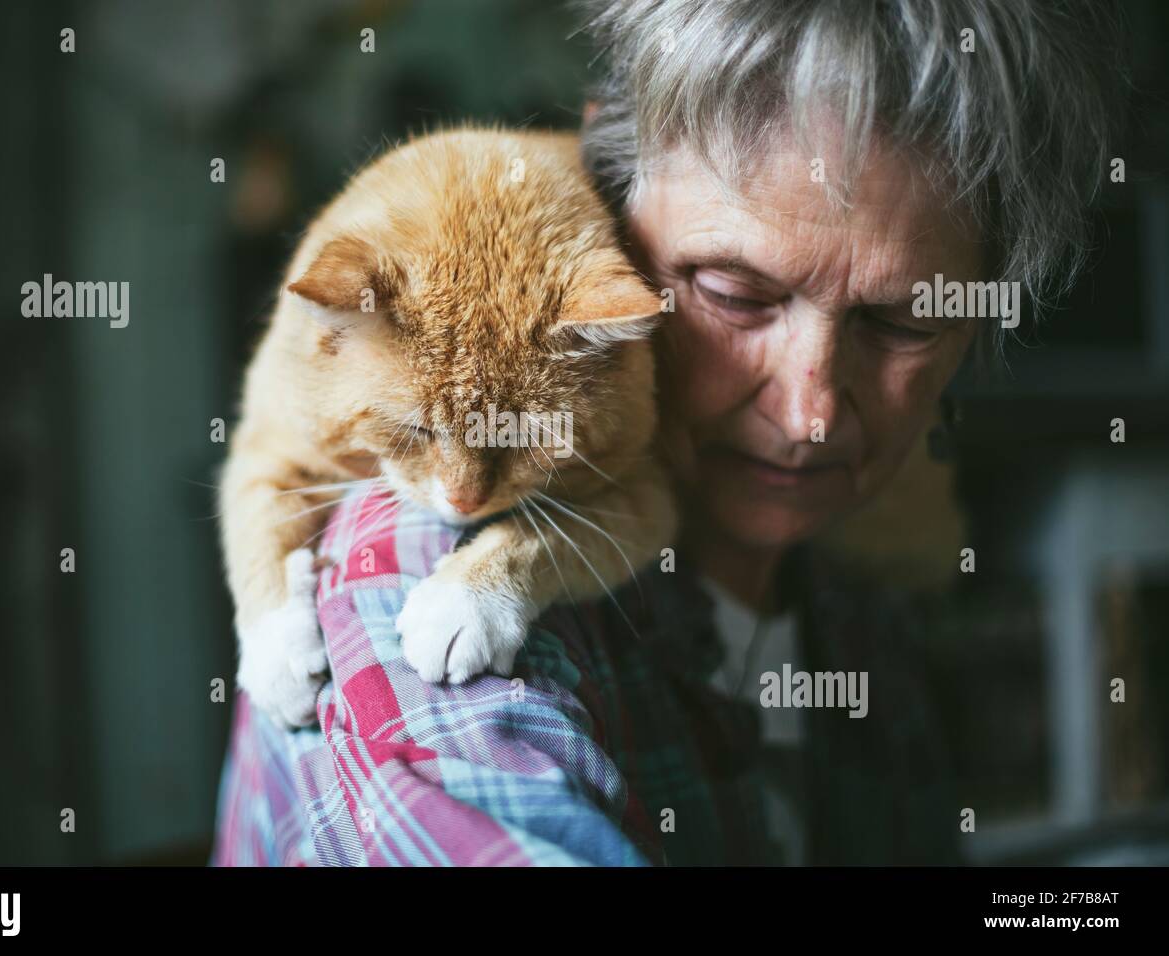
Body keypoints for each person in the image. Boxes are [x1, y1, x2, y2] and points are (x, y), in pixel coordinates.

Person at [213, 0, 1125, 865]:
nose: (811, 415)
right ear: (615, 209)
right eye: (735, 293)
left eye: (900, 325)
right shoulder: (412, 588)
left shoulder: (850, 600)